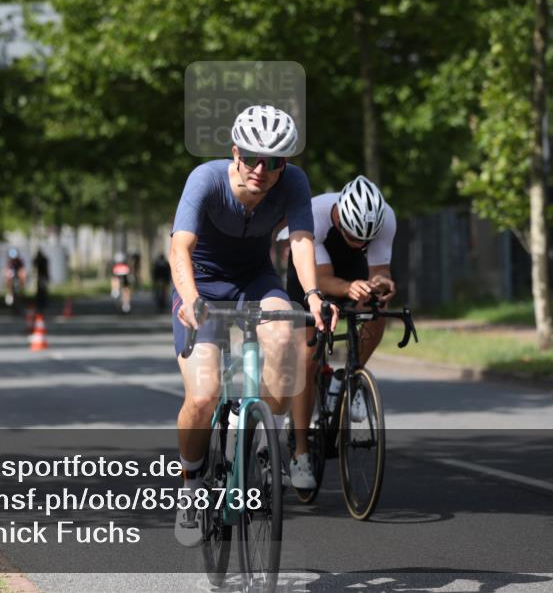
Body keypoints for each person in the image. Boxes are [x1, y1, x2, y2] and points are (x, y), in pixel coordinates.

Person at [170, 104, 336, 547]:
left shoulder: (294, 183)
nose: (261, 170)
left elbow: (301, 241)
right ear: (235, 152)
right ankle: (190, 487)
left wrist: (315, 296)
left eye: (275, 162)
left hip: (254, 281)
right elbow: (179, 247)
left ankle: (264, 434)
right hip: (201, 286)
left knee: (287, 336)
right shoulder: (205, 179)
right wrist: (190, 300)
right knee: (202, 396)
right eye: (252, 158)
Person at [283, 175, 397, 490]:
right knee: (305, 357)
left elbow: (379, 272)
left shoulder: (385, 220)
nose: (360, 245)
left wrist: (381, 286)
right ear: (339, 217)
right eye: (353, 236)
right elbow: (319, 279)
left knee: (377, 310)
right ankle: (301, 451)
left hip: (350, 268)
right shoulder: (315, 215)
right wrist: (347, 288)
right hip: (308, 270)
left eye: (366, 241)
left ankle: (348, 376)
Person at [4, 248, 26, 313]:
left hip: (18, 278)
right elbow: (7, 272)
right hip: (12, 278)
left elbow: (22, 271)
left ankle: (20, 297)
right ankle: (10, 294)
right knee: (9, 280)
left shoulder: (19, 262)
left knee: (19, 291)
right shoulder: (9, 262)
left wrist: (22, 282)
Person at [33, 249, 50, 313]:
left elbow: (46, 268)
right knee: (40, 290)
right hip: (40, 277)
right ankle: (40, 303)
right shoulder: (40, 259)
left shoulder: (43, 260)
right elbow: (34, 263)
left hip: (43, 276)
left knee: (43, 290)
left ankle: (43, 303)